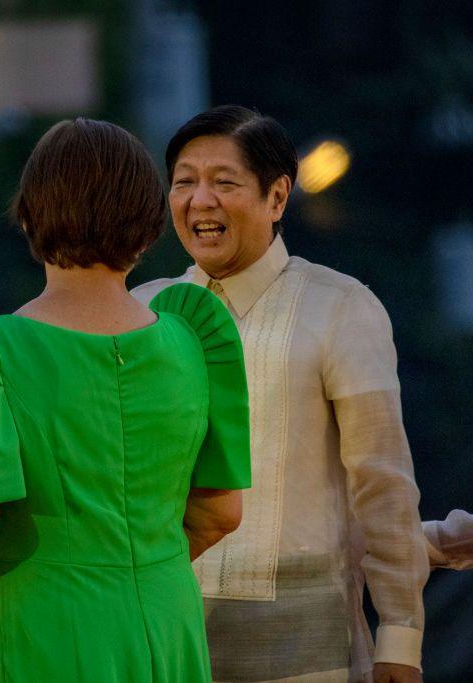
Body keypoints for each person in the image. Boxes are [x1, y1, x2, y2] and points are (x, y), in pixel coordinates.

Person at [0, 118, 251, 682]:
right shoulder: (195, 335)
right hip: (169, 623)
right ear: (148, 229)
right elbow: (222, 511)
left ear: (29, 215)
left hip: (42, 625)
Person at [132, 105, 427, 683]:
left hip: (305, 649)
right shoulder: (140, 311)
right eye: (185, 182)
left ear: (277, 197)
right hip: (161, 641)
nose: (200, 200)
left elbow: (383, 482)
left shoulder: (340, 307)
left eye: (224, 182)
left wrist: (401, 635)